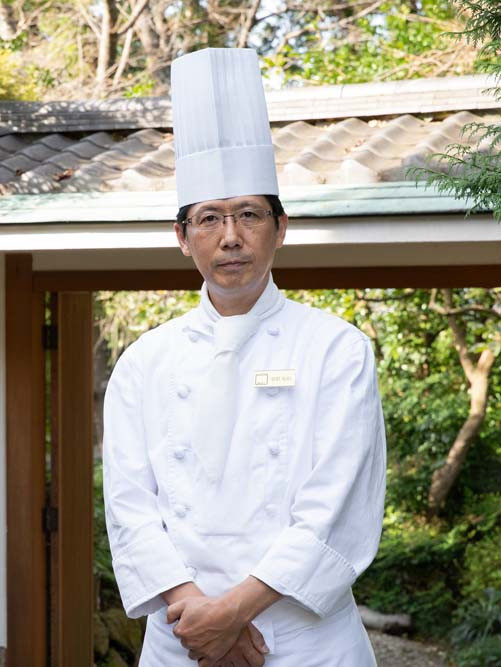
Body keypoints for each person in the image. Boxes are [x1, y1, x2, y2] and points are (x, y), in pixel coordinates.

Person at [102, 48, 387, 667]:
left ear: (280, 227)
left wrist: (233, 614)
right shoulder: (144, 362)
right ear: (182, 237)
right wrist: (199, 620)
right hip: (181, 639)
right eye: (209, 218)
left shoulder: (336, 350)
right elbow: (130, 509)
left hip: (309, 640)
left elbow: (338, 506)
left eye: (249, 215)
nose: (230, 236)